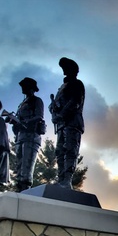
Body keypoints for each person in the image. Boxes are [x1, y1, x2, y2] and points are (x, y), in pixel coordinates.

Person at [49, 57, 85, 189]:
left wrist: (61, 115)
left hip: (72, 123)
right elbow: (59, 104)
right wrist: (53, 108)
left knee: (70, 150)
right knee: (60, 151)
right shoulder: (62, 87)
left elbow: (75, 102)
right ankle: (61, 178)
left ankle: (67, 179)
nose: (63, 70)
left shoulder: (77, 84)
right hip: (62, 125)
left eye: (65, 67)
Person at [2, 77, 44, 192]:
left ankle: (25, 187)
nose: (22, 88)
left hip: (31, 136)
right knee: (19, 166)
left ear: (30, 87)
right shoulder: (22, 104)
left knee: (27, 165)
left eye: (24, 86)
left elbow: (39, 116)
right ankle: (19, 187)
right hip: (20, 136)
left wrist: (25, 122)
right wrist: (13, 121)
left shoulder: (36, 101)